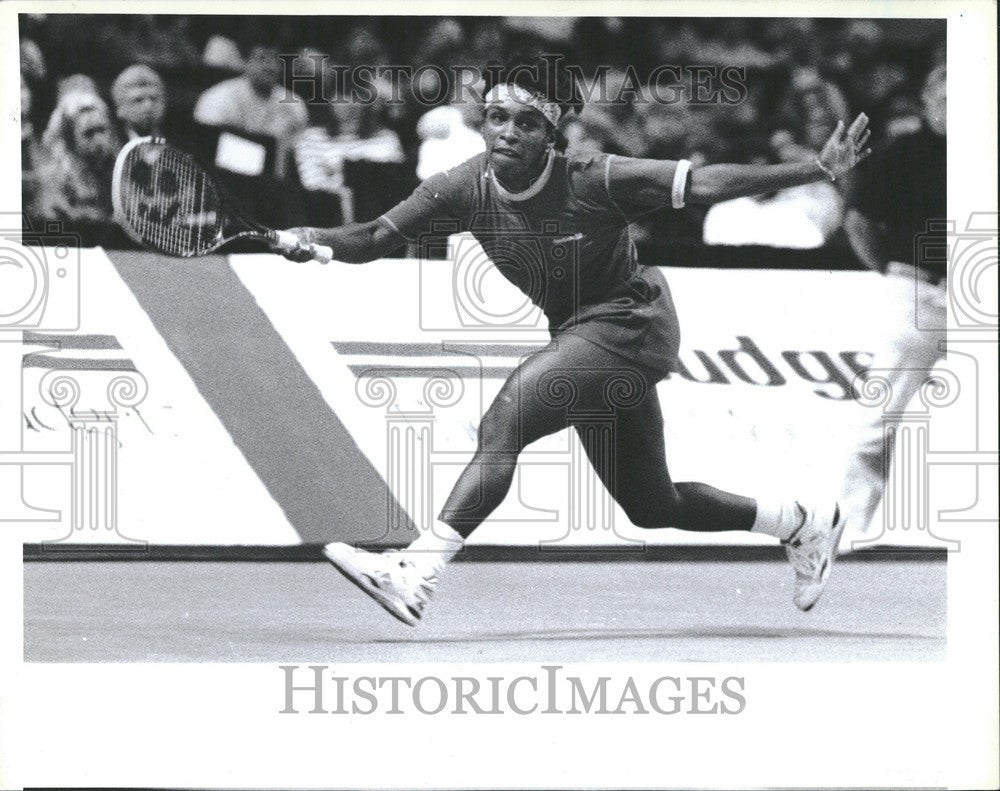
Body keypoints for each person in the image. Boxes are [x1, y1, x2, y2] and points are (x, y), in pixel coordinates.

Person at [278, 59, 872, 626]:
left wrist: (815, 171)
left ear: (552, 130)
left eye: (527, 123)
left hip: (630, 322)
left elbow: (705, 183)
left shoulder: (595, 177)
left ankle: (418, 570)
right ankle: (802, 521)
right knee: (653, 505)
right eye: (497, 118)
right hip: (580, 333)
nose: (508, 133)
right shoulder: (461, 186)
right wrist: (308, 236)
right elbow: (377, 234)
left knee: (507, 418)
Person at [838, 64, 946, 545]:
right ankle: (843, 528)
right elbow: (857, 220)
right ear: (926, 101)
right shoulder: (903, 154)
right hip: (913, 291)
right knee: (879, 414)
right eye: (945, 97)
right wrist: (892, 271)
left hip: (981, 295)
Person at [193, 44, 308, 179]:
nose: (270, 67)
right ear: (245, 62)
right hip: (223, 178)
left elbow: (300, 158)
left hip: (273, 184)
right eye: (262, 58)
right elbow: (205, 152)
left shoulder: (294, 103)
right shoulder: (218, 97)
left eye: (276, 60)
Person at [35, 88, 120, 225]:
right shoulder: (53, 178)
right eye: (89, 133)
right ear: (70, 139)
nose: (99, 140)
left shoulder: (119, 171)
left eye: (102, 130)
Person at [110, 64, 167, 139]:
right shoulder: (112, 147)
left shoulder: (177, 146)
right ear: (120, 108)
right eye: (138, 100)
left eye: (154, 99)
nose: (148, 106)